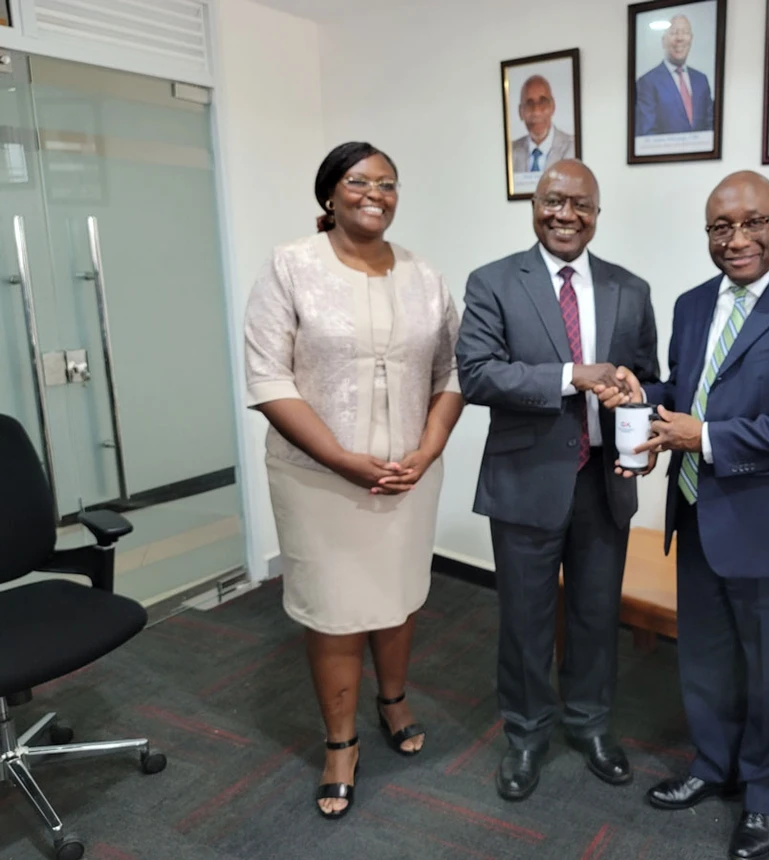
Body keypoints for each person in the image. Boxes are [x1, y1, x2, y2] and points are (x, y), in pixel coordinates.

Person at [613, 171, 769, 860]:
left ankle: (767, 793)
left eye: (753, 222)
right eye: (721, 227)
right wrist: (642, 393)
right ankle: (711, 767)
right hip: (698, 516)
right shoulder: (694, 305)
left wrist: (707, 438)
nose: (737, 238)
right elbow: (687, 391)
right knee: (706, 660)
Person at [243, 141, 464, 820]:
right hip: (318, 481)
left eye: (389, 183)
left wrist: (425, 452)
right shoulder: (290, 268)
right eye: (359, 181)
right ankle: (340, 742)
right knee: (335, 612)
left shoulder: (425, 276)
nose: (376, 193)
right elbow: (267, 380)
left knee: (396, 600)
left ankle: (392, 701)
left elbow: (452, 374)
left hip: (406, 477)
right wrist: (341, 458)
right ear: (330, 194)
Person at [455, 159, 659, 802]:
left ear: (598, 213)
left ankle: (591, 724)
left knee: (598, 615)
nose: (565, 214)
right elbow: (478, 374)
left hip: (604, 482)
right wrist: (571, 375)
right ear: (534, 204)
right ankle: (524, 732)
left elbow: (647, 378)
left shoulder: (631, 287)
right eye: (553, 201)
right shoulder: (493, 282)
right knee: (525, 619)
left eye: (581, 204)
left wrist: (641, 420)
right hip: (526, 480)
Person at [635, 14, 715, 135]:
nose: (680, 38)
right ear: (663, 41)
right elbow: (646, 133)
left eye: (685, 32)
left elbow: (711, 126)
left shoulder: (701, 80)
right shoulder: (647, 82)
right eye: (673, 33)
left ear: (691, 39)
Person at [511, 75, 576, 173]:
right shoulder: (510, 151)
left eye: (543, 102)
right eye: (529, 103)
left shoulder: (573, 147)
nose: (536, 111)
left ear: (552, 106)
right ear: (520, 112)